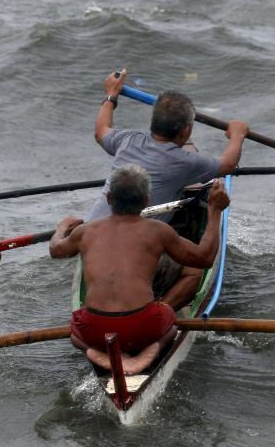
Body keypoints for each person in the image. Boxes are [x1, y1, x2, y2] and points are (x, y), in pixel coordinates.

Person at [86, 67, 249, 310]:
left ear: (153, 124)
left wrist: (111, 95)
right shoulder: (185, 162)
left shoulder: (126, 140)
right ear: (186, 131)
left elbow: (101, 131)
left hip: (93, 244)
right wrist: (237, 134)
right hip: (132, 254)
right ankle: (159, 313)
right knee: (195, 268)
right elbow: (227, 164)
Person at [50, 165, 230, 375]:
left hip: (96, 331)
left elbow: (56, 250)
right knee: (170, 323)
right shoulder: (158, 231)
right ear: (146, 201)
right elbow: (205, 258)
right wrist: (214, 211)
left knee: (75, 333)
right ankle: (153, 348)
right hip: (143, 329)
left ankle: (94, 350)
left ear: (109, 199)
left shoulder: (84, 231)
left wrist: (62, 227)